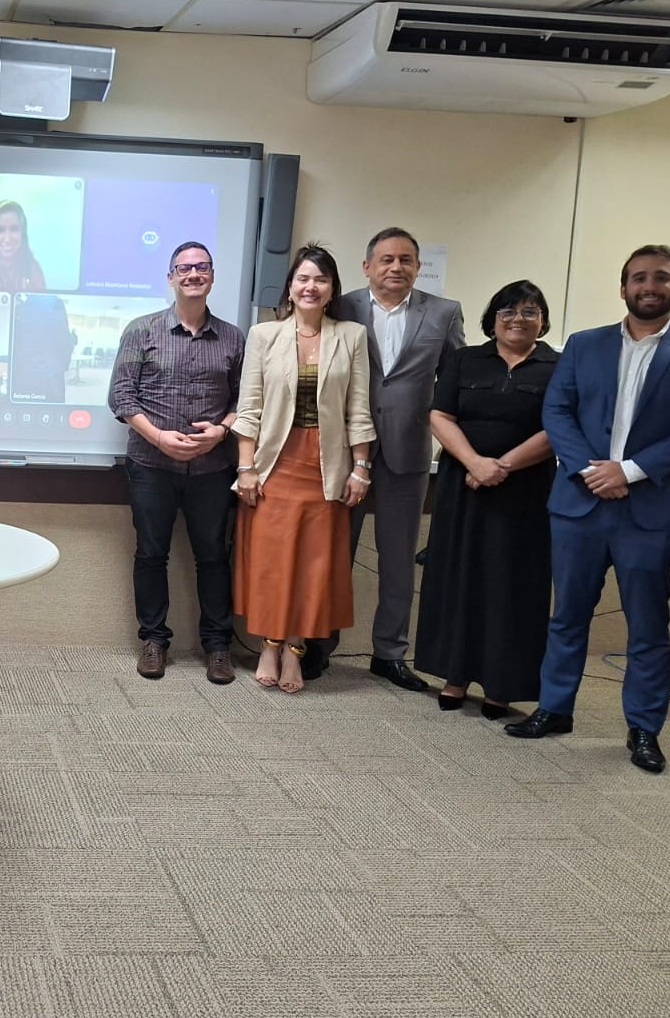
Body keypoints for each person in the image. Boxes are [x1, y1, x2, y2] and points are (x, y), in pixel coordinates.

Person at [507, 246, 670, 774]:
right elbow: (557, 410)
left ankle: (644, 729)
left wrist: (627, 471)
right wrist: (593, 469)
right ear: (623, 286)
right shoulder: (584, 346)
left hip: (649, 511)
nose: (649, 285)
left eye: (662, 277)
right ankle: (555, 708)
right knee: (567, 616)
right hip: (580, 505)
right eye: (638, 278)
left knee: (648, 625)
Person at [308, 227, 464, 688]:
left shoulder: (444, 312)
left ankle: (390, 653)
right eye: (387, 259)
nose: (396, 267)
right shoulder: (343, 305)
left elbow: (454, 385)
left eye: (406, 260)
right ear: (367, 266)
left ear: (417, 267)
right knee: (334, 555)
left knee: (398, 561)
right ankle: (320, 645)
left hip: (408, 452)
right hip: (342, 450)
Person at [230, 244, 374, 694]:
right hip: (275, 464)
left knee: (312, 566)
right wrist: (246, 467)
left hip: (326, 466)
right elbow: (249, 407)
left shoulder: (351, 335)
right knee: (274, 563)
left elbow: (359, 409)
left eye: (321, 280)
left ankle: (295, 651)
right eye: (303, 279)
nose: (311, 287)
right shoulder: (263, 335)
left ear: (332, 290)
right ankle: (268, 646)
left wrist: (361, 468)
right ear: (290, 288)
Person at [414, 281, 558, 718]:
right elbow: (439, 414)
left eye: (530, 311)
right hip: (464, 488)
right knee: (460, 577)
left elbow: (561, 427)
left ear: (543, 321)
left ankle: (502, 685)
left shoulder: (560, 365)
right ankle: (454, 676)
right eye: (508, 311)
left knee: (513, 586)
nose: (518, 319)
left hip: (526, 495)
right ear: (492, 319)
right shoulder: (464, 359)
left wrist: (504, 466)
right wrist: (476, 463)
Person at [107, 240, 244, 684]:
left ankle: (218, 646)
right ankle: (154, 641)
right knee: (151, 554)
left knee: (213, 556)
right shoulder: (141, 331)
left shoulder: (232, 337)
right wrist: (159, 438)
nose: (193, 274)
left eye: (201, 267)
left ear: (212, 276)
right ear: (170, 277)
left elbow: (245, 401)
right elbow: (121, 397)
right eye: (183, 268)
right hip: (151, 465)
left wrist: (221, 431)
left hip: (211, 469)